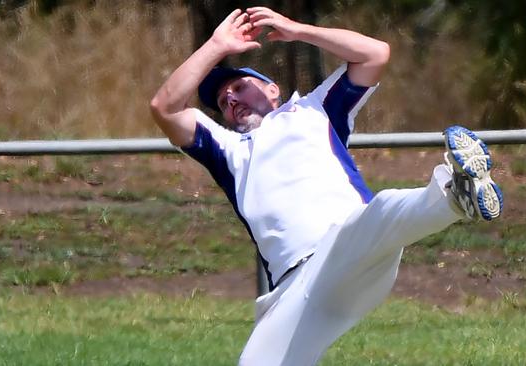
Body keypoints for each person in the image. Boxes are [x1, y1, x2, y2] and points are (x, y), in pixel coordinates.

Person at [150, 6, 503, 366]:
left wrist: (298, 29)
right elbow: (164, 106)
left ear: (273, 90)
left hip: (349, 247)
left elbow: (375, 53)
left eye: (239, 87)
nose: (232, 100)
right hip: (295, 290)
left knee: (376, 214)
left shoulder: (315, 109)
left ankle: (455, 197)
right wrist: (216, 45)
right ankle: (454, 196)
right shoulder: (227, 151)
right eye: (224, 102)